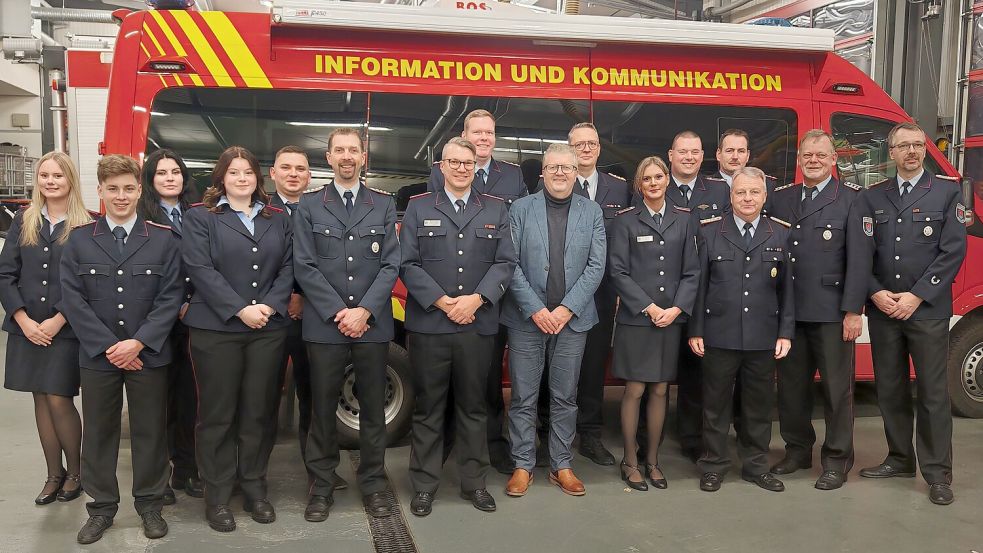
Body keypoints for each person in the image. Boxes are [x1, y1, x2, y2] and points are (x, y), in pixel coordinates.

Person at [59, 154, 183, 544]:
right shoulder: (79, 239)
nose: (121, 196)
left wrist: (139, 341)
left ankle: (149, 505)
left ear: (139, 189)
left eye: (128, 188)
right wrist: (111, 346)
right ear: (100, 191)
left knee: (150, 430)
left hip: (147, 352)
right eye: (112, 189)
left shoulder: (163, 239)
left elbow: (171, 295)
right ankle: (101, 509)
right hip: (99, 356)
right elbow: (72, 299)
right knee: (99, 432)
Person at [399, 137, 516, 517]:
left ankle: (474, 483)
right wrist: (443, 301)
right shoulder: (418, 208)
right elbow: (407, 263)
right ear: (441, 166)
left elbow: (505, 263)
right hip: (431, 325)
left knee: (473, 407)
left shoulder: (496, 209)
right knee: (428, 408)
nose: (462, 168)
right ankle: (424, 485)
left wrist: (476, 300)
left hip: (476, 325)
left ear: (475, 166)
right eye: (455, 162)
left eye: (468, 162)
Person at [182, 146, 294, 531]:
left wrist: (268, 305)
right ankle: (217, 496)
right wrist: (239, 308)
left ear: (258, 179)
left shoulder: (277, 218)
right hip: (217, 330)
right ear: (221, 179)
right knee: (217, 415)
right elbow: (199, 268)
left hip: (267, 329)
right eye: (234, 173)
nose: (242, 179)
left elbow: (288, 267)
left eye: (248, 172)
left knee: (258, 413)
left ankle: (254, 489)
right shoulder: (201, 218)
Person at [856, 122, 966, 505]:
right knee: (889, 388)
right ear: (891, 153)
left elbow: (952, 251)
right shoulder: (872, 197)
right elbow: (861, 254)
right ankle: (900, 458)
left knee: (933, 393)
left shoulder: (947, 193)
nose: (912, 151)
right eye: (904, 146)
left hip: (927, 310)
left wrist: (917, 296)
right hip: (884, 309)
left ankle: (937, 473)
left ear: (925, 149)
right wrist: (875, 291)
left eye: (918, 144)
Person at [292, 129, 400, 521]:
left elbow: (391, 264)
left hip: (371, 325)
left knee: (372, 407)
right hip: (326, 325)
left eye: (354, 150)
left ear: (364, 157)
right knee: (321, 409)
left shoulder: (383, 204)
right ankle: (321, 486)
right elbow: (303, 264)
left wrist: (364, 311)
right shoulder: (309, 205)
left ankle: (373, 484)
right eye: (340, 150)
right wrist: (340, 311)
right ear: (328, 157)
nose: (347, 156)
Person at [501, 143, 606, 497]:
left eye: (566, 168)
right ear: (542, 172)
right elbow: (509, 263)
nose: (560, 173)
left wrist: (565, 309)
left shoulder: (592, 212)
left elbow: (596, 266)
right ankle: (522, 465)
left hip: (572, 321)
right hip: (527, 318)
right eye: (553, 168)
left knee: (565, 396)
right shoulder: (519, 209)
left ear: (577, 173)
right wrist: (536, 309)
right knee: (523, 397)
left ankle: (562, 464)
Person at [427, 109, 527, 475]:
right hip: (448, 294)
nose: (484, 137)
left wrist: (483, 295)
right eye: (477, 132)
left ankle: (492, 446)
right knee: (449, 383)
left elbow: (514, 236)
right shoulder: (444, 172)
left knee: (487, 380)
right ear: (464, 134)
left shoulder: (513, 176)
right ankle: (448, 443)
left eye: (490, 132)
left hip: (491, 296)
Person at [768, 129, 867, 490]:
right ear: (799, 160)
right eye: (807, 155)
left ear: (834, 160)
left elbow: (860, 259)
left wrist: (853, 310)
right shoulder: (781, 199)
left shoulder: (853, 200)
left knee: (837, 391)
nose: (813, 160)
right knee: (792, 389)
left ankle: (837, 460)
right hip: (790, 312)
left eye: (820, 155)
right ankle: (796, 450)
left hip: (832, 312)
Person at [688, 167, 794, 493]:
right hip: (719, 334)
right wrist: (696, 330)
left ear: (765, 196)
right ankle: (714, 465)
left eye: (754, 193)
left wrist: (785, 333)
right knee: (715, 405)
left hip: (763, 336)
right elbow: (699, 285)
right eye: (740, 192)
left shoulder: (780, 233)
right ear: (730, 196)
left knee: (758, 407)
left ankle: (756, 466)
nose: (747, 198)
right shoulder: (708, 232)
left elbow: (788, 290)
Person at [0, 152, 90, 506]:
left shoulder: (86, 224)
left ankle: (76, 474)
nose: (50, 182)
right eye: (44, 176)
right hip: (28, 327)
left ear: (70, 181)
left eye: (57, 176)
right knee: (40, 397)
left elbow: (87, 281)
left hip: (65, 328)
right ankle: (53, 474)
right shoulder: (24, 219)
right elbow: (6, 273)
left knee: (59, 397)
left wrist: (58, 319)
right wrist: (22, 319)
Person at [608, 156, 699, 491]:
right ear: (639, 185)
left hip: (671, 319)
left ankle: (653, 461)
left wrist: (676, 309)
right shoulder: (626, 220)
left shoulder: (685, 219)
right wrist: (648, 307)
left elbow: (692, 270)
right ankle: (630, 461)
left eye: (658, 177)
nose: (653, 183)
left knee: (661, 389)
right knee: (634, 389)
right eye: (646, 179)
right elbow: (617, 271)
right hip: (637, 319)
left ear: (667, 180)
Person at [136, 149, 203, 503]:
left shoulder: (197, 215)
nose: (170, 178)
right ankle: (157, 477)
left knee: (191, 399)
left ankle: (187, 469)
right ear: (151, 179)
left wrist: (192, 303)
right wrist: (173, 305)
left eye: (176, 172)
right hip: (156, 321)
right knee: (158, 402)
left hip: (193, 319)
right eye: (161, 173)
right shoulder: (140, 217)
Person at [566, 122, 632, 467]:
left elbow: (628, 240)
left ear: (599, 148)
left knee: (593, 364)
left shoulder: (619, 188)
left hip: (604, 292)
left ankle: (590, 434)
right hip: (562, 291)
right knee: (559, 364)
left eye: (592, 143)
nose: (586, 149)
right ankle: (552, 433)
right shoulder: (556, 181)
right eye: (579, 144)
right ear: (569, 148)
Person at [265, 145, 328, 486]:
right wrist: (283, 298)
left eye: (300, 169)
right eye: (286, 167)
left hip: (310, 319)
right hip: (269, 320)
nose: (293, 174)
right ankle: (256, 473)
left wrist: (303, 297)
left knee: (312, 396)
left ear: (309, 176)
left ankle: (317, 471)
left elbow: (325, 262)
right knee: (262, 398)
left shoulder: (320, 211)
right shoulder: (260, 212)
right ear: (272, 174)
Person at [668, 130, 731, 463]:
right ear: (671, 155)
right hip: (665, 293)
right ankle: (649, 430)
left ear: (703, 155)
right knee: (662, 366)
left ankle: (693, 437)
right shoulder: (655, 186)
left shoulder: (720, 190)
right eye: (682, 152)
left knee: (698, 370)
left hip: (707, 292)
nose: (689, 157)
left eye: (694, 152)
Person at [715, 128, 779, 213]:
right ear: (718, 154)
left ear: (748, 155)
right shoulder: (704, 187)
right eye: (729, 151)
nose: (735, 157)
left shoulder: (768, 186)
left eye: (741, 151)